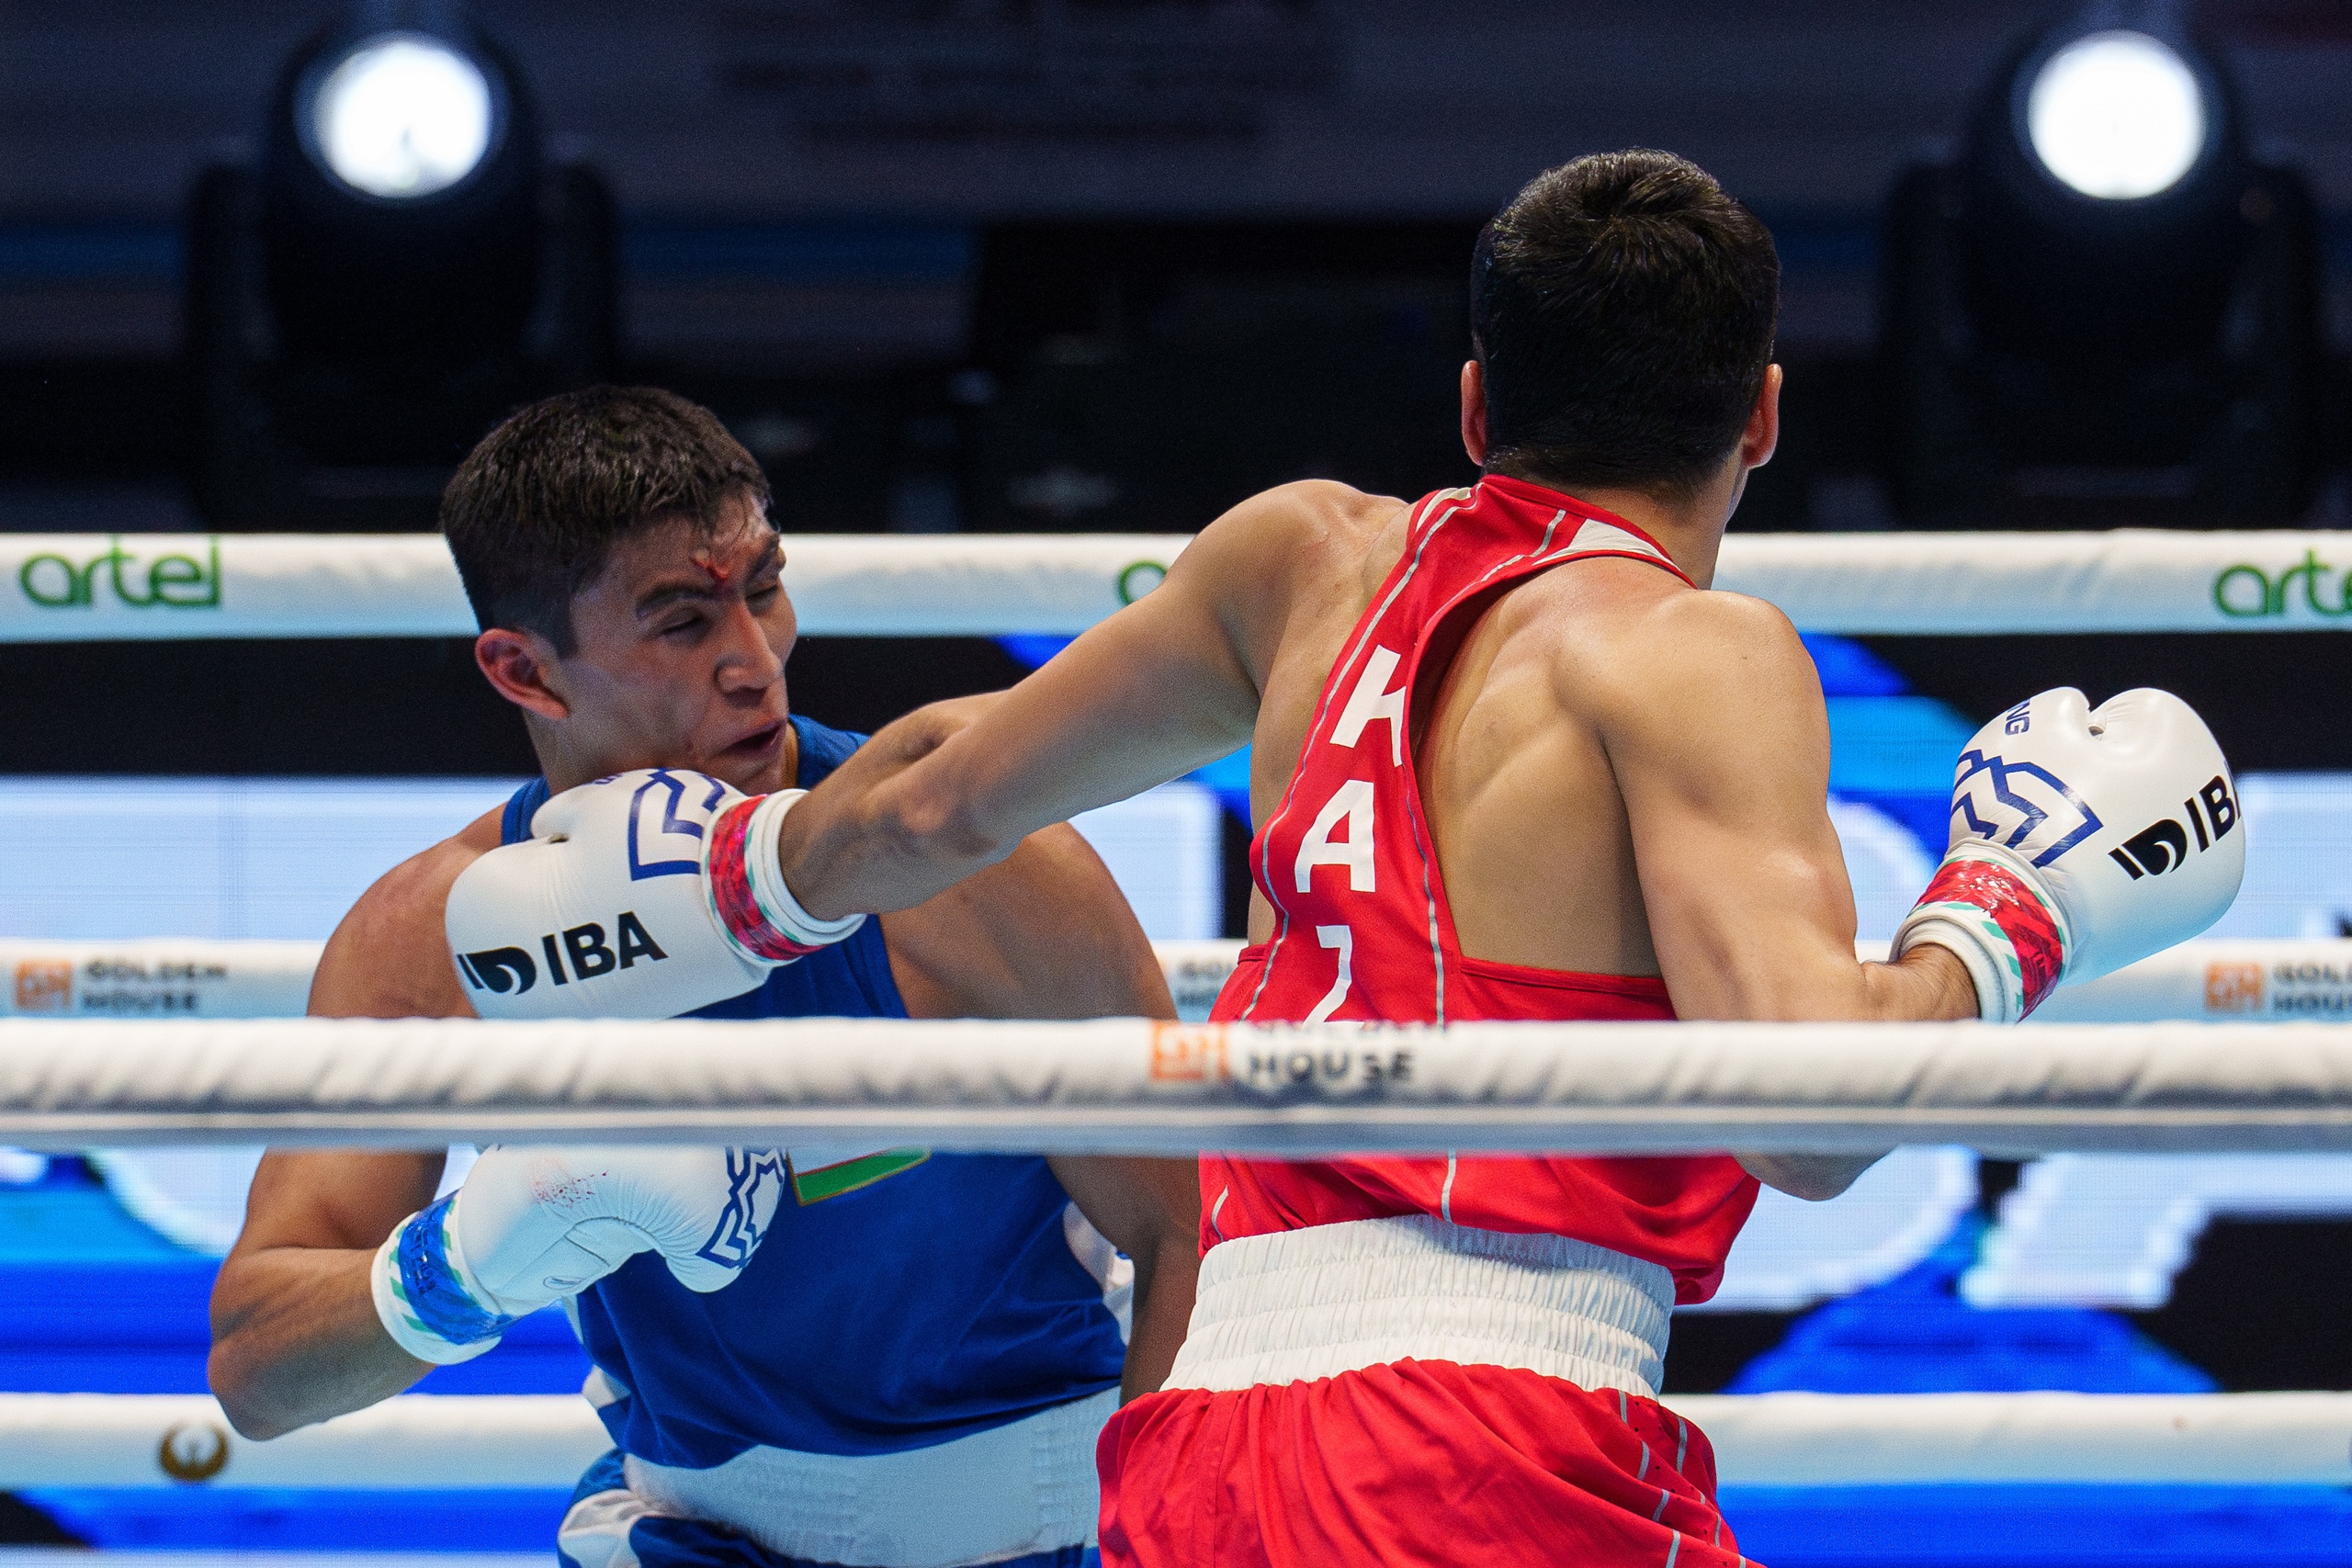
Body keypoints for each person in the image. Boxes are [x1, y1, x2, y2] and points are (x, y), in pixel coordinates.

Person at [465, 153, 2239, 1563]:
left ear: (1477, 405)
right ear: (1762, 417)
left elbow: (934, 810)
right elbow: (1818, 1121)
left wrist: (727, 880)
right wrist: (2010, 910)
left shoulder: (1298, 560)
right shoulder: (1695, 651)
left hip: (1198, 1449)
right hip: (1484, 1442)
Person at [208, 386, 1202, 1568]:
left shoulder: (971, 866)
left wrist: (1161, 1545)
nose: (753, 665)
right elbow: (259, 1373)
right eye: (681, 622)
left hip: (1055, 1526)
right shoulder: (425, 945)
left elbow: (1185, 1229)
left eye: (763, 589)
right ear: (525, 671)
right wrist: (473, 1257)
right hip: (695, 1536)